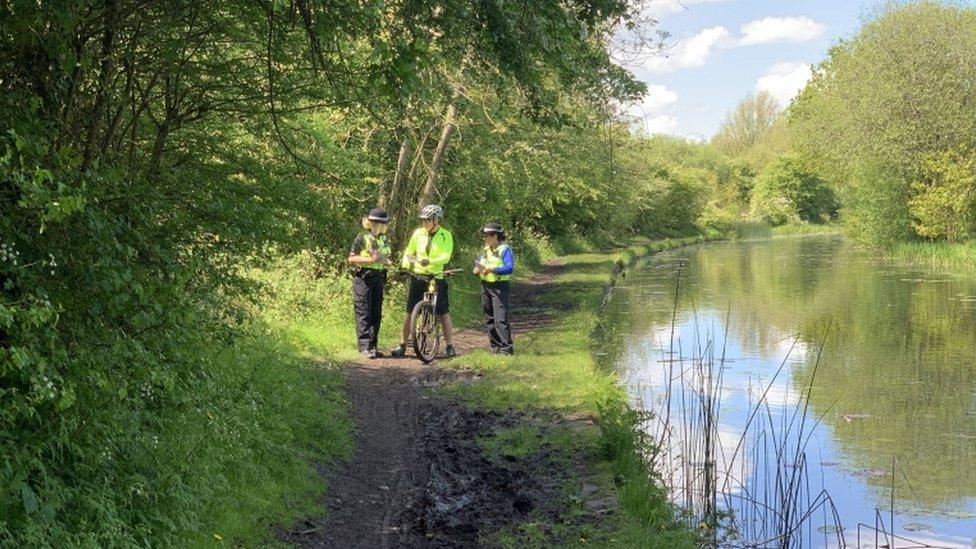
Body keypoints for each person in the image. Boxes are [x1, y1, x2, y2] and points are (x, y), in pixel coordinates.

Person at [391, 204, 456, 358]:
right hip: (419, 275)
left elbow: (446, 256)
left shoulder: (446, 235)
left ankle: (449, 346)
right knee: (410, 311)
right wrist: (406, 264)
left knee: (443, 312)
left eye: (428, 220)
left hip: (437, 275)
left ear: (436, 220)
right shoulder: (418, 233)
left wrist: (430, 261)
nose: (424, 223)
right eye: (423, 220)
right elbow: (409, 251)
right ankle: (402, 345)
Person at [347, 208, 393, 359]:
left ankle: (373, 346)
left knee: (376, 313)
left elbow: (386, 258)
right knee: (363, 312)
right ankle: (364, 347)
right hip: (363, 278)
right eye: (381, 223)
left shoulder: (384, 239)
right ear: (374, 223)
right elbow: (351, 258)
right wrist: (369, 260)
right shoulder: (362, 238)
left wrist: (387, 262)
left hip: (378, 277)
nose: (382, 226)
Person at [473, 222, 515, 354]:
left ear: (495, 236)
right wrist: (477, 270)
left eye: (487, 235)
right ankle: (495, 347)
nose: (484, 238)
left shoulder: (505, 250)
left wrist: (493, 270)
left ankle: (506, 349)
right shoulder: (485, 250)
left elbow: (509, 268)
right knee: (489, 318)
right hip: (486, 286)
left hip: (499, 287)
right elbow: (480, 265)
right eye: (484, 235)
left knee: (500, 319)